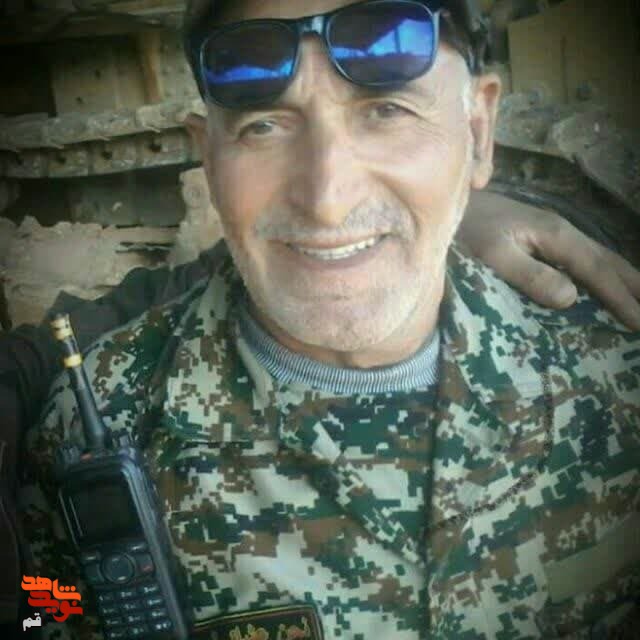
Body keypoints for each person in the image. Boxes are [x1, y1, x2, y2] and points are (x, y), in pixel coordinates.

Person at [16, 0, 640, 638]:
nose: (327, 200)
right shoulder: (94, 425)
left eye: (386, 112)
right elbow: (42, 613)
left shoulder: (614, 376)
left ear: (477, 134)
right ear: (207, 159)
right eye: (263, 125)